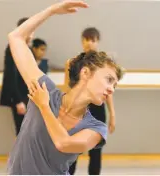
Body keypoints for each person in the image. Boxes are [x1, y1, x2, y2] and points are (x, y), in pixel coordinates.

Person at [6, 1, 123, 175]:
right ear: (85, 73)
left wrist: (44, 107)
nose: (112, 89)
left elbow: (63, 143)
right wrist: (51, 11)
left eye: (114, 85)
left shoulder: (97, 128)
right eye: (108, 80)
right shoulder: (45, 90)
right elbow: (15, 38)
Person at [64, 27, 116, 175]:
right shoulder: (73, 63)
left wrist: (112, 114)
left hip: (97, 111)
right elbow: (67, 88)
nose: (89, 43)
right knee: (73, 148)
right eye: (86, 40)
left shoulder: (104, 64)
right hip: (78, 110)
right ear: (82, 41)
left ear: (97, 42)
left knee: (95, 150)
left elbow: (108, 90)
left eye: (92, 40)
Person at [0, 18, 48, 136]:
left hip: (28, 96)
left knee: (30, 133)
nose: (31, 35)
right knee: (23, 133)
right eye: (30, 31)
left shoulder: (27, 48)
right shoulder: (12, 48)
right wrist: (18, 101)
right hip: (19, 97)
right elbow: (11, 75)